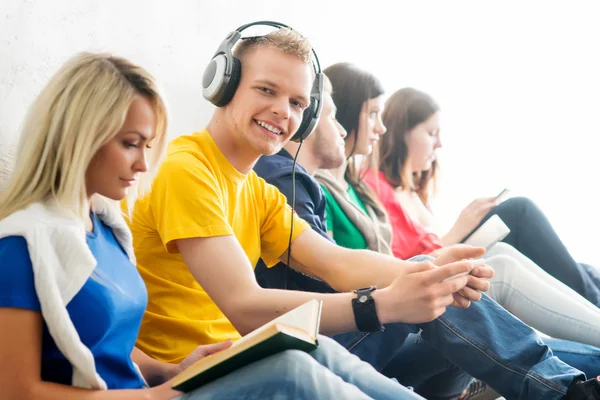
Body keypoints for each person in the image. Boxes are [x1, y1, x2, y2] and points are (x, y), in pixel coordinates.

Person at [0, 51, 425, 400]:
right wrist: (152, 395)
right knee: (291, 370)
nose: (144, 164)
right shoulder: (23, 246)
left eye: (147, 145)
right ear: (79, 135)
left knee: (315, 350)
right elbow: (15, 390)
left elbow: (110, 344)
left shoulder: (105, 229)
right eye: (130, 144)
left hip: (153, 388)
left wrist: (169, 369)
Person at [253, 63, 600, 398]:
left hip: (339, 330)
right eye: (331, 116)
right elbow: (331, 274)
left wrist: (422, 272)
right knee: (453, 276)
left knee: (451, 288)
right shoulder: (284, 179)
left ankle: (571, 385)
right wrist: (418, 274)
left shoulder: (294, 184)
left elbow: (333, 266)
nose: (342, 129)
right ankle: (568, 388)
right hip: (323, 337)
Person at [367, 87, 600, 306]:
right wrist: (460, 228)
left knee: (584, 271)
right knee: (519, 211)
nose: (439, 144)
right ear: (401, 134)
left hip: (448, 258)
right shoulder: (378, 188)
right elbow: (405, 264)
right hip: (435, 272)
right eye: (431, 133)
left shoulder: (415, 192)